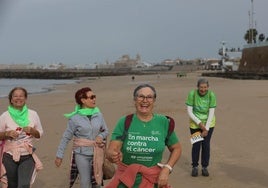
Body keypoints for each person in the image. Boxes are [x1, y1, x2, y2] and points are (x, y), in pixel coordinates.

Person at [106, 84, 182, 188]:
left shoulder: (163, 122)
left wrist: (167, 168)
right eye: (141, 96)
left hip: (153, 181)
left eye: (149, 97)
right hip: (126, 180)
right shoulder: (125, 121)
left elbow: (176, 148)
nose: (145, 100)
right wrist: (112, 155)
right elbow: (112, 149)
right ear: (135, 100)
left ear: (154, 101)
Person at [55, 87, 109, 188]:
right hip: (81, 154)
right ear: (83, 100)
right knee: (85, 182)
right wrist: (59, 155)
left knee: (97, 182)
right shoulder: (74, 118)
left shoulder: (99, 115)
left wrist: (100, 136)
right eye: (91, 97)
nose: (94, 99)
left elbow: (106, 130)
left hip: (97, 153)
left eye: (94, 97)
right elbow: (66, 137)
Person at [0, 87, 44, 188]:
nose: (18, 98)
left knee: (24, 185)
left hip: (27, 156)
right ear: (11, 99)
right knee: (12, 185)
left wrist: (33, 131)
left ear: (25, 98)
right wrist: (7, 133)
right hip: (9, 156)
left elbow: (40, 134)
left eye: (21, 96)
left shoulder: (33, 114)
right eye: (15, 96)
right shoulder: (5, 116)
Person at [185, 78, 217, 177]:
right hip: (195, 124)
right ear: (197, 87)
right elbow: (190, 112)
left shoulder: (211, 95)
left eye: (205, 87)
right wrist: (200, 125)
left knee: (206, 145)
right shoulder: (192, 94)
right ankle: (194, 167)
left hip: (209, 123)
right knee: (196, 145)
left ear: (208, 87)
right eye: (201, 87)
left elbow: (211, 112)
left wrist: (206, 128)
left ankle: (204, 167)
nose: (203, 89)